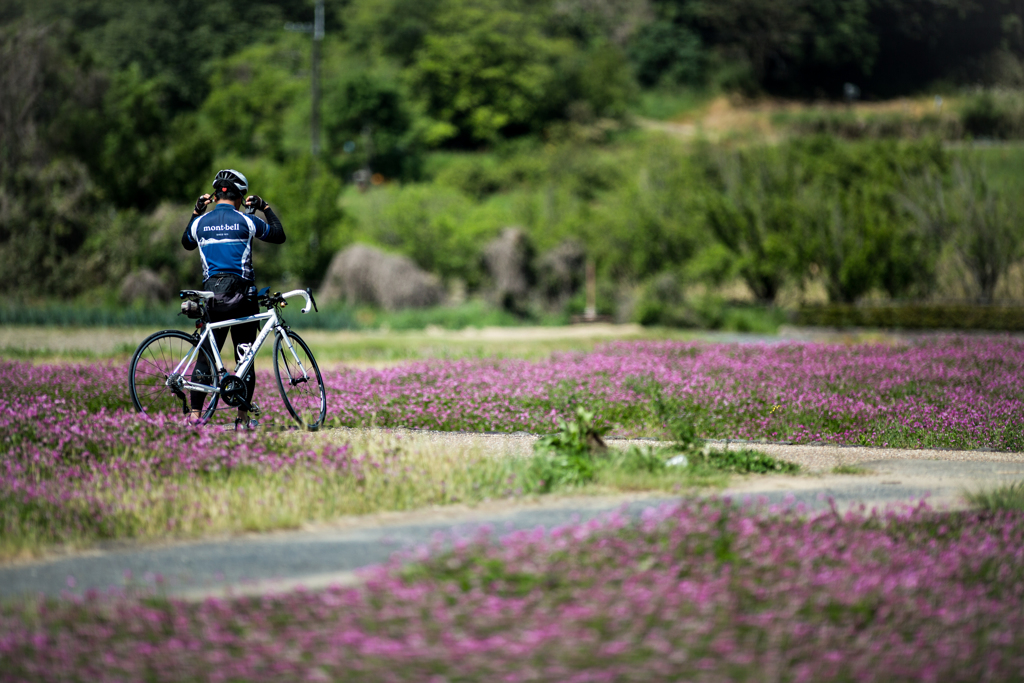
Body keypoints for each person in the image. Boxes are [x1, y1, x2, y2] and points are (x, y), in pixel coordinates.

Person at [181, 169, 286, 429]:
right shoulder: (246, 221)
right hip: (242, 299)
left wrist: (196, 211)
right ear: (240, 196)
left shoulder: (199, 223)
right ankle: (241, 419)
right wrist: (265, 207)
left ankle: (195, 415)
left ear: (215, 195)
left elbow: (186, 243)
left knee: (205, 359)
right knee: (245, 359)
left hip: (212, 298)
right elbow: (278, 234)